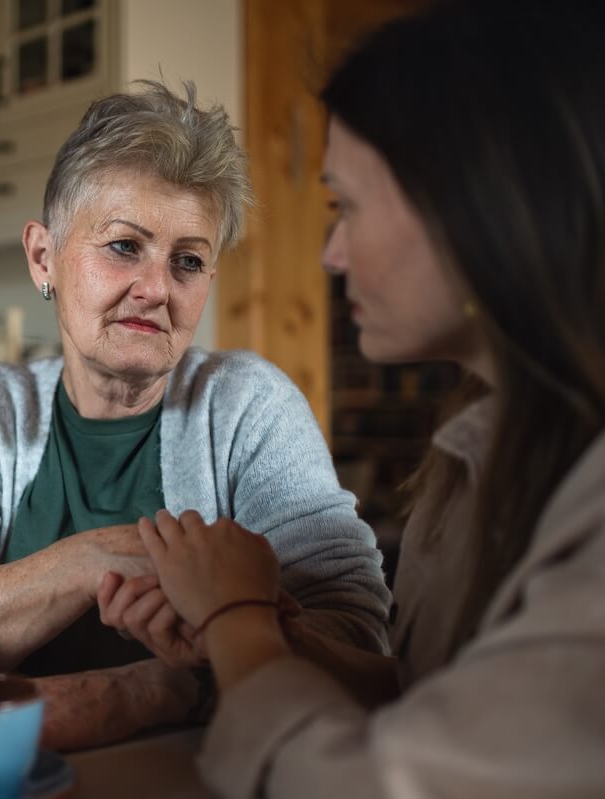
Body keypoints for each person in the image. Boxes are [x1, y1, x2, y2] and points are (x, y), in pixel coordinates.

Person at [101, 1, 605, 794]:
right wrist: (261, 632)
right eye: (122, 248)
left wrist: (236, 621)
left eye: (348, 206)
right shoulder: (482, 450)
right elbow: (436, 702)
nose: (332, 254)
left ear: (478, 206)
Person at [0, 80, 392, 750]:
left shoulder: (249, 405)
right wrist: (97, 559)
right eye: (124, 246)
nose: (156, 290)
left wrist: (163, 680)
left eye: (188, 261)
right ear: (43, 257)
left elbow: (357, 630)